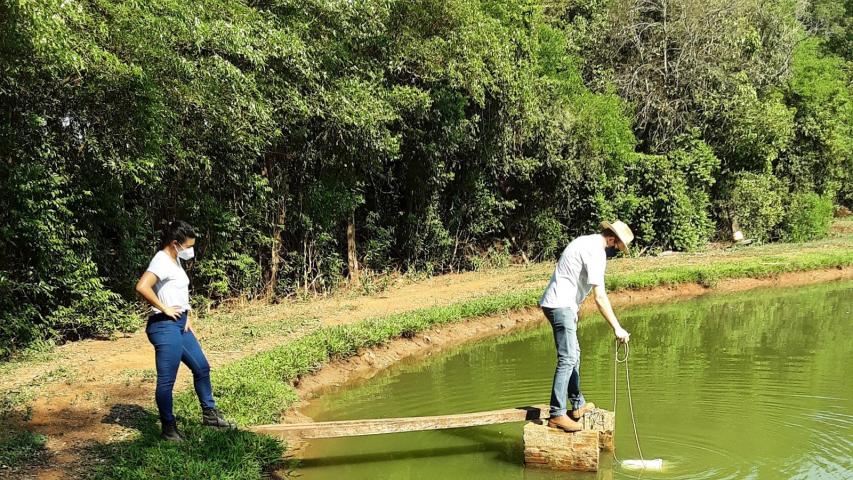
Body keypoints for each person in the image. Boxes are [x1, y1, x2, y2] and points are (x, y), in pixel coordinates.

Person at [135, 220, 234, 441]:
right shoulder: (161, 260)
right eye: (188, 246)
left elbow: (176, 291)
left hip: (180, 324)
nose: (190, 250)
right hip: (164, 326)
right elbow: (142, 286)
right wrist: (165, 309)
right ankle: (169, 429)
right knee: (167, 381)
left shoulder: (175, 259)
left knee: (202, 367)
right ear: (175, 243)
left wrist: (187, 314)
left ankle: (210, 415)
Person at [539, 220, 634, 432]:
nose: (614, 253)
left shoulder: (586, 241)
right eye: (616, 249)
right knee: (568, 358)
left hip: (562, 305)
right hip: (560, 305)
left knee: (575, 355)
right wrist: (617, 328)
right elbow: (600, 297)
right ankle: (557, 414)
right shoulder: (596, 252)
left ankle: (578, 405)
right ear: (611, 239)